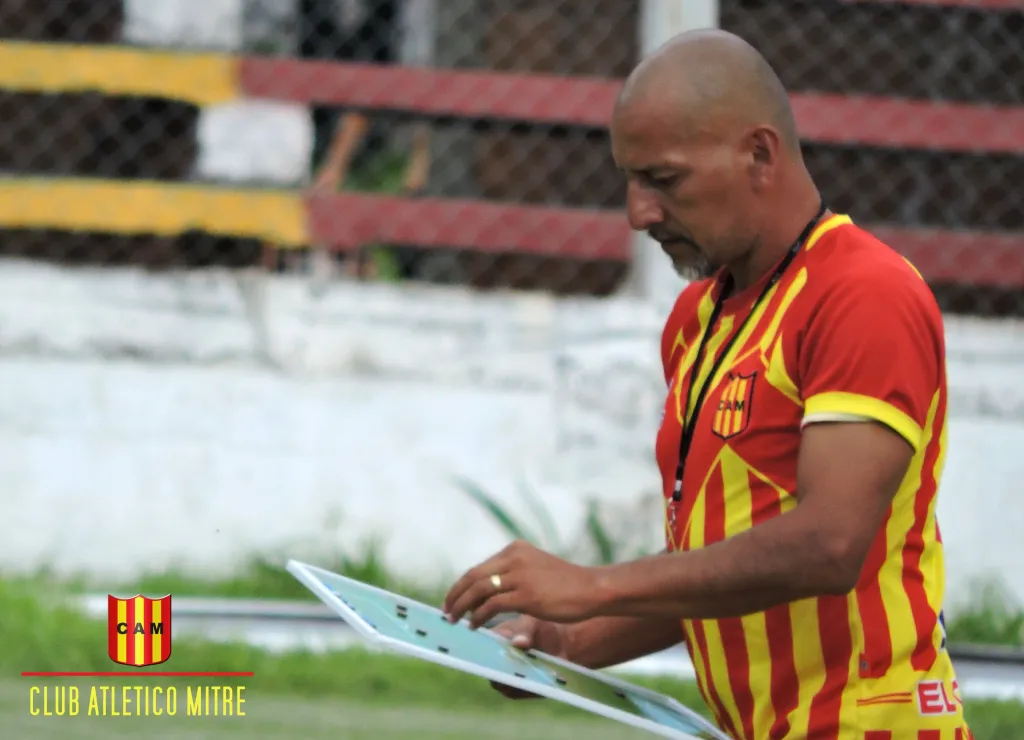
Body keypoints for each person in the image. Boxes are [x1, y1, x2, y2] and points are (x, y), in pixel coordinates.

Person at [442, 29, 974, 740]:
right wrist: (571, 642)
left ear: (759, 155)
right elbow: (727, 568)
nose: (638, 213)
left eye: (664, 180)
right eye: (630, 181)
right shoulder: (697, 319)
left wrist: (594, 586)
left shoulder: (864, 293)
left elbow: (829, 543)